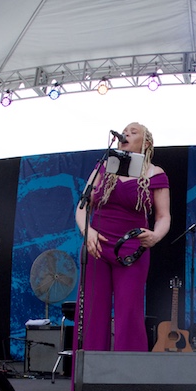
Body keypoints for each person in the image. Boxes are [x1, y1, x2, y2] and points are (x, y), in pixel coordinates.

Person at [74, 122, 171, 354]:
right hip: (96, 246)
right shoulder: (104, 166)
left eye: (133, 131)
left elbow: (164, 216)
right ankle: (91, 382)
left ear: (146, 143)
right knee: (93, 316)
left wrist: (156, 235)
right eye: (124, 131)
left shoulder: (155, 174)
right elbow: (81, 207)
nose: (126, 133)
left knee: (128, 316)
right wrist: (88, 231)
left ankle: (129, 385)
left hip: (132, 250)